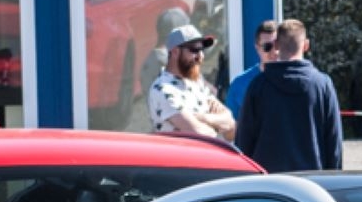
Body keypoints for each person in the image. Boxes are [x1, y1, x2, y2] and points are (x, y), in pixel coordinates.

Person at [233, 18, 343, 173]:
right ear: (306, 45)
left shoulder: (258, 86)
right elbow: (333, 141)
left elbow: (244, 141)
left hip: (268, 183)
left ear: (276, 45)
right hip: (312, 182)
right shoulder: (322, 85)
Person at [147, 24, 235, 140]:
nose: (201, 56)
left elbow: (231, 128)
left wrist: (204, 118)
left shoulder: (197, 81)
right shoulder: (163, 89)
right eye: (194, 50)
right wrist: (218, 122)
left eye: (202, 50)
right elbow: (204, 135)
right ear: (175, 52)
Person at [225, 20, 277, 118]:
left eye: (277, 45)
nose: (274, 52)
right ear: (257, 47)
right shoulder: (239, 84)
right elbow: (230, 127)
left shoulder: (293, 81)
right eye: (267, 46)